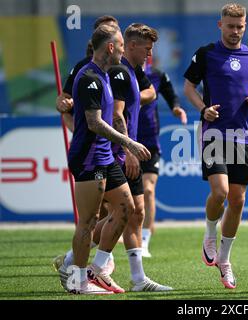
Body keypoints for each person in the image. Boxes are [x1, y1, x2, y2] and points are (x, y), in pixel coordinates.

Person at [58, 24, 151, 294]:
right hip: (89, 158)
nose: (123, 50)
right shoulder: (90, 77)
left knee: (127, 208)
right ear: (110, 47)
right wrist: (129, 143)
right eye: (121, 45)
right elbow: (94, 122)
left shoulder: (106, 75)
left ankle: (97, 269)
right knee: (87, 221)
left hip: (105, 156)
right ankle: (77, 280)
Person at [184, 3, 248, 289]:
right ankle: (209, 232)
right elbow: (188, 87)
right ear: (220, 25)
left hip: (242, 136)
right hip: (213, 134)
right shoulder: (206, 54)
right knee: (219, 192)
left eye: (240, 26)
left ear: (245, 26)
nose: (235, 31)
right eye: (230, 26)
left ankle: (225, 260)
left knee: (238, 200)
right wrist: (203, 108)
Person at [139, 56, 188, 258]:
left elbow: (171, 96)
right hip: (122, 144)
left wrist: (177, 108)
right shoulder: (120, 73)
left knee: (148, 191)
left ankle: (144, 241)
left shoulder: (157, 76)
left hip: (150, 142)